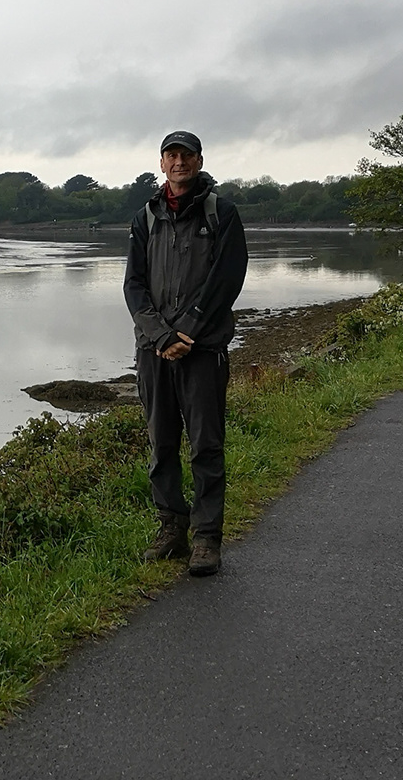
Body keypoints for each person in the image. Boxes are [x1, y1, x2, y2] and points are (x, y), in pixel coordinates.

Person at [123, 130, 248, 576]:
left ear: (198, 161)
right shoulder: (145, 217)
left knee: (206, 447)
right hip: (154, 352)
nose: (179, 163)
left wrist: (189, 331)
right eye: (171, 155)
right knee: (162, 445)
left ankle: (207, 539)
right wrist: (160, 336)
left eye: (186, 155)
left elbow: (226, 280)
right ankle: (170, 529)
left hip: (203, 350)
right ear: (162, 163)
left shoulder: (222, 213)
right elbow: (134, 286)